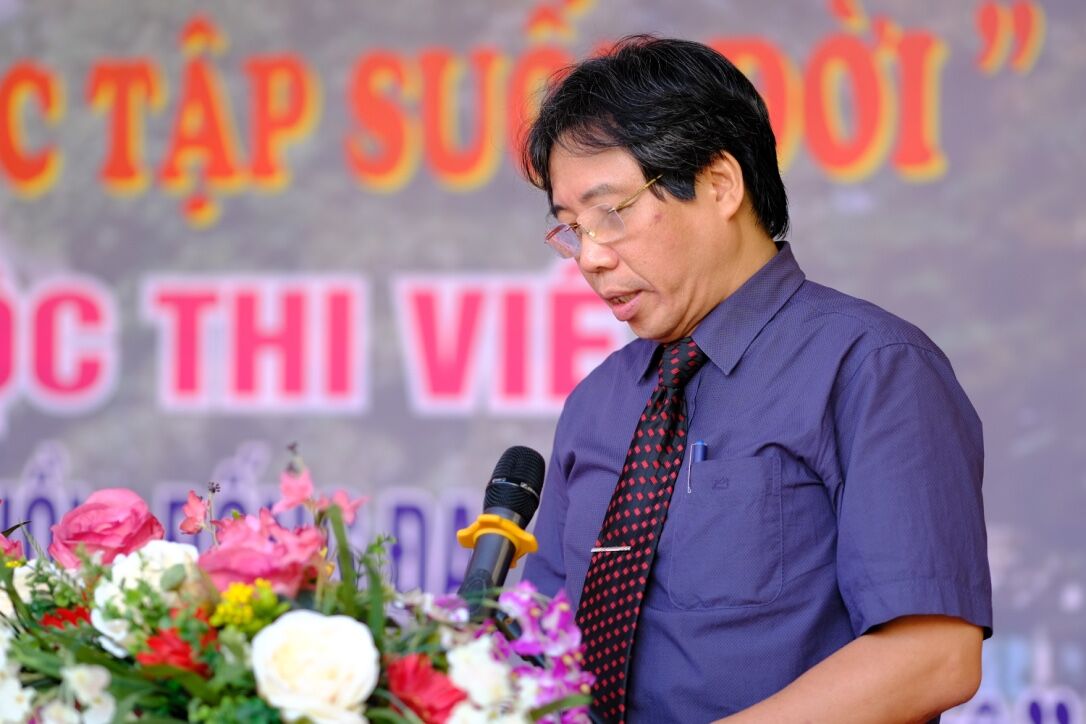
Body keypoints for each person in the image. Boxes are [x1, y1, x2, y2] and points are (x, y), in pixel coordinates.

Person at [520, 36, 992, 724]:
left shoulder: (872, 367)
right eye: (571, 229)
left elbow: (934, 655)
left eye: (611, 214)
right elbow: (537, 653)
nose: (590, 258)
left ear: (720, 185)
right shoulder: (599, 404)